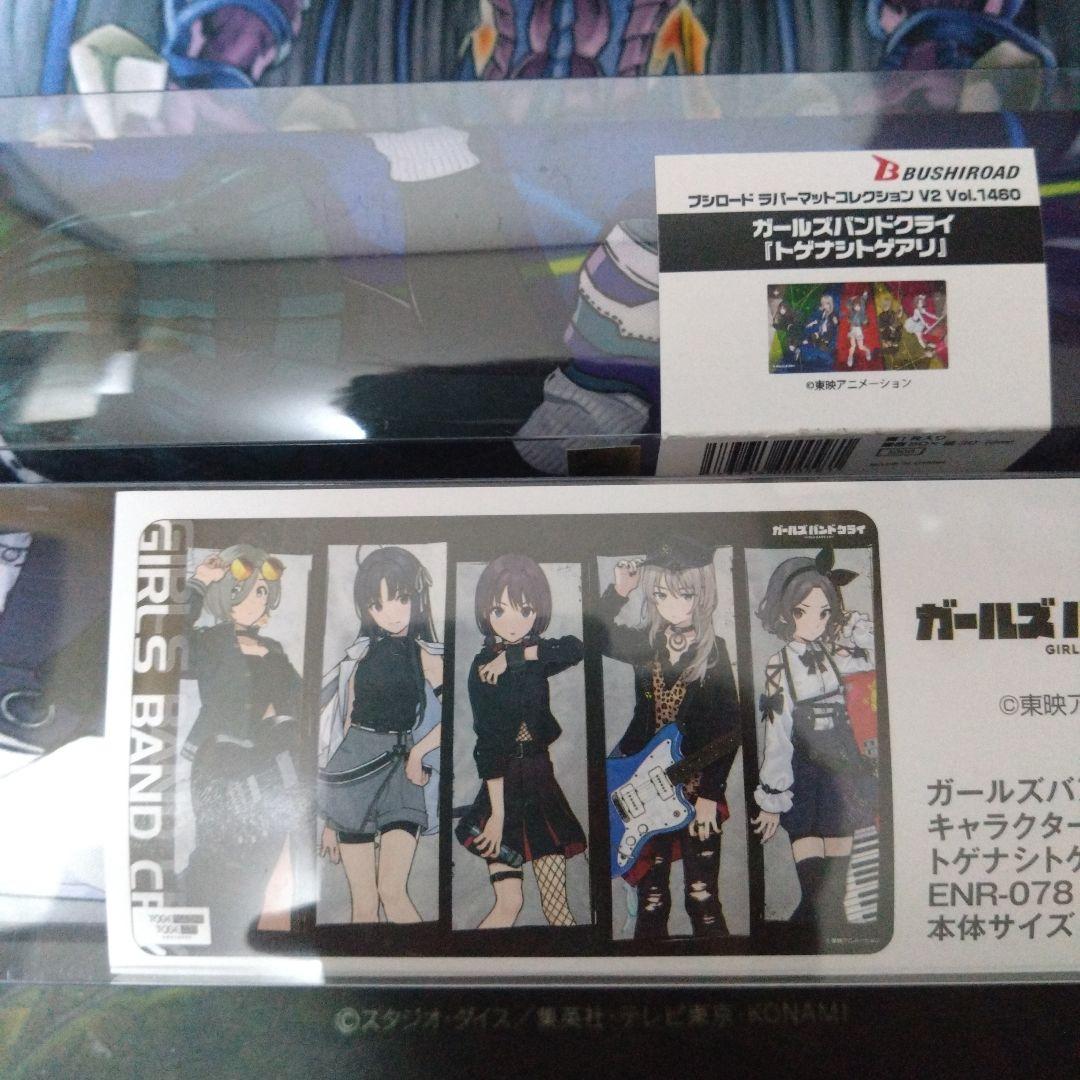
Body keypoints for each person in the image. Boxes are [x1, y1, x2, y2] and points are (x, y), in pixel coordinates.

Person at [598, 538, 740, 939]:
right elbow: (595, 636)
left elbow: (730, 729)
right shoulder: (647, 644)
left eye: (684, 594)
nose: (672, 605)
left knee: (702, 896)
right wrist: (619, 590)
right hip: (641, 787)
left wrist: (710, 793)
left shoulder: (715, 653)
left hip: (696, 790)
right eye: (660, 595)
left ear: (702, 594)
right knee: (652, 899)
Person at [182, 544, 305, 950]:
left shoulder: (274, 650)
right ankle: (211, 938)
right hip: (221, 759)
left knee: (266, 849)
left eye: (263, 592)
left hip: (269, 760)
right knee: (221, 851)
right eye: (247, 592)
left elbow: (298, 701)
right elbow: (168, 636)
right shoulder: (209, 642)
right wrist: (199, 583)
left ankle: (248, 938)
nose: (258, 601)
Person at [750, 548, 876, 936]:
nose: (815, 622)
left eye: (823, 613)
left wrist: (856, 630)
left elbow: (873, 663)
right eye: (803, 611)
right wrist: (772, 796)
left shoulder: (837, 653)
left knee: (834, 892)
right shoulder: (779, 664)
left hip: (843, 763)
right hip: (804, 766)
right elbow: (777, 729)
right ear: (784, 612)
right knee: (814, 891)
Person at [456, 554, 586, 929]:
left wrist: (515, 656)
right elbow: (489, 746)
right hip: (504, 786)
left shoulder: (534, 655)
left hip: (541, 780)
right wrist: (496, 816)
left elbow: (575, 648)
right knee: (509, 904)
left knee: (558, 909)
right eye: (500, 610)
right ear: (486, 611)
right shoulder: (482, 667)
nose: (513, 622)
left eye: (525, 610)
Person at [318, 546, 443, 923]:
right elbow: (343, 729)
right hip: (353, 768)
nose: (391, 612)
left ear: (417, 598)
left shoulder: (426, 656)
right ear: (367, 609)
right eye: (377, 604)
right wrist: (331, 819)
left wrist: (419, 752)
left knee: (393, 891)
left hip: (401, 767)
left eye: (401, 598)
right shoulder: (358, 657)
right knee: (363, 902)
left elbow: (456, 719)